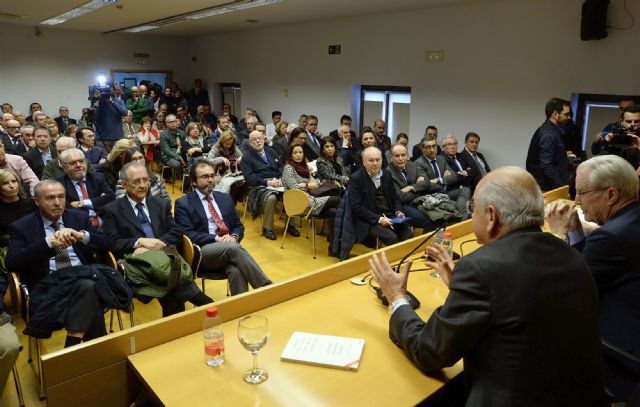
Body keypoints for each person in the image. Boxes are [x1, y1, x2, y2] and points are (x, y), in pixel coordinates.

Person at [369, 166, 604, 406]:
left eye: (473, 209)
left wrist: (397, 296)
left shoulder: (481, 268)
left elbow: (430, 351)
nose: (471, 216)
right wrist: (462, 290)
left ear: (491, 216)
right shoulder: (573, 256)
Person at [546, 154, 640, 401]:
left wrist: (557, 236)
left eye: (581, 193)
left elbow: (563, 289)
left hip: (620, 352)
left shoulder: (611, 237)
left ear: (611, 195)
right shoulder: (630, 221)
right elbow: (590, 267)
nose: (576, 201)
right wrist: (576, 231)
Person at [7, 180, 116, 346]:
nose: (57, 203)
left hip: (82, 276)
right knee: (90, 293)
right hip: (49, 287)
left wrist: (83, 236)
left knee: (87, 286)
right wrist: (47, 244)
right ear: (37, 201)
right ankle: (94, 357)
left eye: (61, 197)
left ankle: (72, 347)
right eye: (50, 198)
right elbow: (12, 263)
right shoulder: (22, 227)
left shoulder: (78, 217)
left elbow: (109, 244)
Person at [102, 162, 213, 316]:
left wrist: (157, 244)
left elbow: (176, 231)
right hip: (137, 264)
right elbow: (111, 242)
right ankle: (205, 303)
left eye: (145, 180)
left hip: (165, 256)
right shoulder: (112, 210)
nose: (142, 185)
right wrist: (139, 242)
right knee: (172, 282)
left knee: (169, 286)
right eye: (136, 181)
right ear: (124, 185)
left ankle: (177, 329)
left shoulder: (161, 204)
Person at [174, 159, 271, 295]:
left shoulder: (225, 198)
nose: (210, 180)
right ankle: (266, 288)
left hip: (228, 248)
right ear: (194, 181)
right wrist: (217, 239)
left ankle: (242, 310)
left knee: (236, 270)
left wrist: (234, 236)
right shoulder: (183, 204)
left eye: (212, 176)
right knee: (233, 248)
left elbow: (238, 226)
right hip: (202, 252)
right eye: (204, 177)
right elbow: (187, 234)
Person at [348, 147, 413, 247]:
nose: (375, 163)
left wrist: (398, 211)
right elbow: (357, 207)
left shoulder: (386, 174)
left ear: (382, 160)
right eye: (371, 160)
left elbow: (394, 198)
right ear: (364, 162)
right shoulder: (356, 178)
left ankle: (403, 261)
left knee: (408, 235)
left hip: (389, 215)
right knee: (392, 238)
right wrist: (379, 219)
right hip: (369, 219)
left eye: (378, 160)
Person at [282, 144, 341, 253]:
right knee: (338, 200)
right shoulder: (288, 168)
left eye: (300, 152)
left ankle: (334, 247)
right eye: (295, 153)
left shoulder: (305, 168)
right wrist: (307, 185)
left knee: (334, 212)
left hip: (310, 199)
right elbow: (294, 187)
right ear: (290, 156)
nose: (299, 155)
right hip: (298, 202)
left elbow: (317, 183)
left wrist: (305, 184)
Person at [240, 130, 299, 240]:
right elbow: (249, 178)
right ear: (250, 142)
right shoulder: (246, 157)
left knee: (291, 193)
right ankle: (267, 228)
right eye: (254, 139)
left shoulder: (271, 151)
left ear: (263, 139)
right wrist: (267, 182)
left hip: (278, 182)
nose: (258, 141)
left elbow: (281, 167)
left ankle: (290, 225)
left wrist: (282, 178)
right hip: (259, 185)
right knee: (271, 198)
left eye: (259, 138)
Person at [0, 169, 37, 326]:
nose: (11, 186)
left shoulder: (31, 203)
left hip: (31, 244)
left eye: (14, 181)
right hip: (5, 249)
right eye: (5, 183)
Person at [58, 148, 115, 227]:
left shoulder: (97, 178)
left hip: (104, 224)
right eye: (72, 163)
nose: (78, 165)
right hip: (78, 227)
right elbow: (67, 209)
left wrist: (81, 203)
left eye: (81, 161)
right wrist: (99, 201)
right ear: (64, 167)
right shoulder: (59, 185)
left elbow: (111, 197)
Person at [387, 144, 438, 233]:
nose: (401, 158)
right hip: (404, 206)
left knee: (438, 217)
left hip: (420, 200)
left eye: (403, 155)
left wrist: (411, 187)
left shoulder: (412, 165)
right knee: (429, 222)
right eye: (397, 156)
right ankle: (423, 246)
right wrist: (419, 188)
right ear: (391, 158)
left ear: (407, 156)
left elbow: (426, 182)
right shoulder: (388, 173)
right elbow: (400, 197)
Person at [415, 134, 471, 214]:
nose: (432, 150)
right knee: (463, 208)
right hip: (433, 196)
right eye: (428, 147)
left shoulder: (441, 159)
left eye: (434, 146)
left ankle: (460, 215)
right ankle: (461, 215)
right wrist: (444, 180)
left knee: (466, 190)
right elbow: (427, 185)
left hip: (446, 192)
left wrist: (439, 179)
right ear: (422, 148)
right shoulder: (418, 163)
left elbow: (454, 176)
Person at [525, 97, 572, 191]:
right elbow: (546, 165)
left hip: (548, 186)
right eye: (566, 114)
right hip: (547, 188)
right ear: (555, 114)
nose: (569, 117)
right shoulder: (548, 134)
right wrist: (561, 188)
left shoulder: (551, 130)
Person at [94, 84, 128, 152]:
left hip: (117, 137)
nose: (106, 92)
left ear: (113, 91)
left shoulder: (118, 101)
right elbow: (94, 117)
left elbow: (125, 112)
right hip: (102, 139)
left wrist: (112, 102)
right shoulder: (98, 102)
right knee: (103, 161)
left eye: (108, 90)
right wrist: (96, 102)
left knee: (118, 161)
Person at [159, 114, 187, 179]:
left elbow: (186, 145)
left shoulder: (182, 133)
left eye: (174, 121)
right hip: (168, 156)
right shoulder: (163, 134)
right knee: (177, 164)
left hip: (181, 153)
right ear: (166, 124)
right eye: (170, 122)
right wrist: (179, 157)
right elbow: (166, 151)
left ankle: (189, 177)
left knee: (192, 160)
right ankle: (183, 179)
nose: (173, 123)